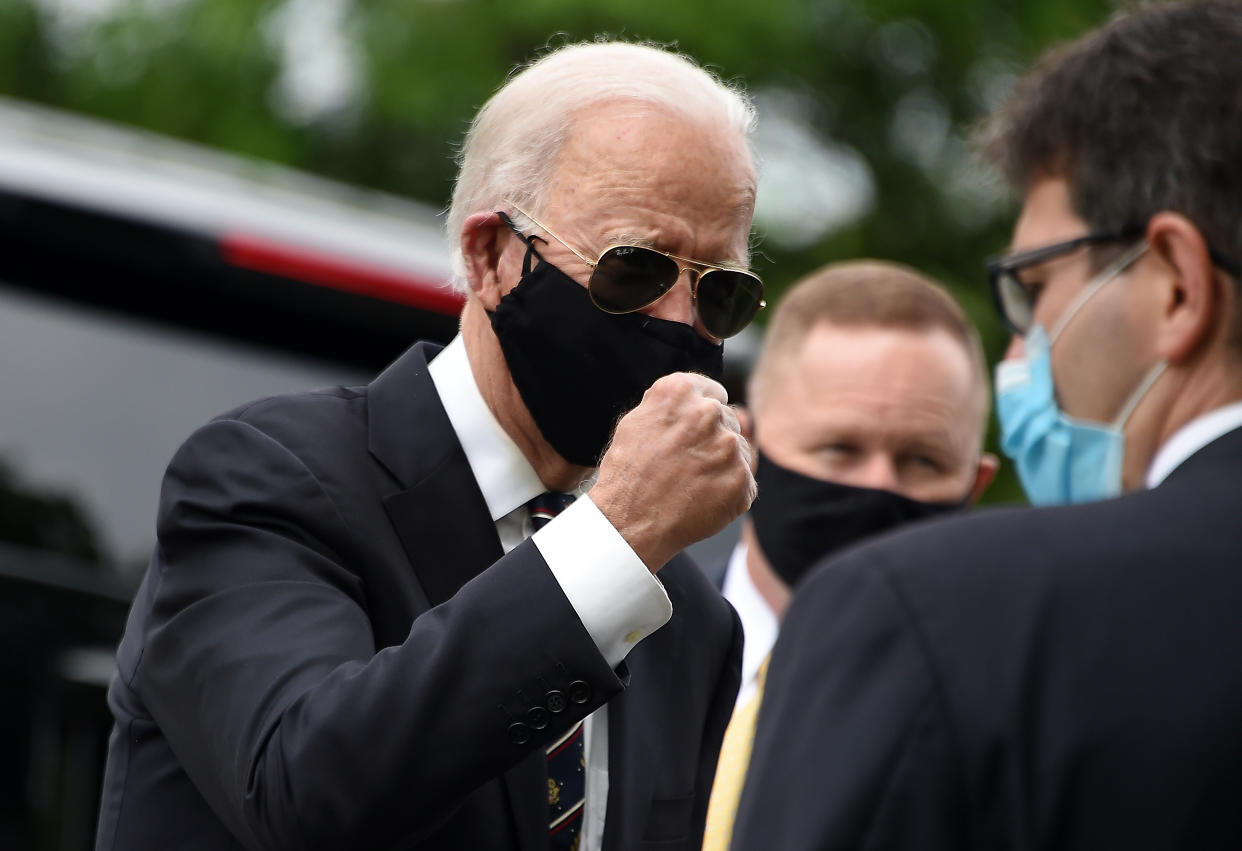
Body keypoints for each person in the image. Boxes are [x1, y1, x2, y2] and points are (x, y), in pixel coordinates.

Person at [95, 41, 763, 851]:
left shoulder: (687, 619)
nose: (680, 321)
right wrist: (617, 535)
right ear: (490, 256)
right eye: (635, 269)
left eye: (720, 289)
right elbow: (308, 793)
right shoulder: (267, 480)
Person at [732, 1, 1242, 848]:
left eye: (1037, 288)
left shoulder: (934, 618)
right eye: (838, 447)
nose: (1028, 347)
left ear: (1177, 285)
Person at [699, 261, 997, 850]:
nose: (877, 484)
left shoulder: (1003, 711)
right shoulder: (627, 663)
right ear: (745, 446)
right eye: (839, 448)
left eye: (923, 460)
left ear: (976, 485)